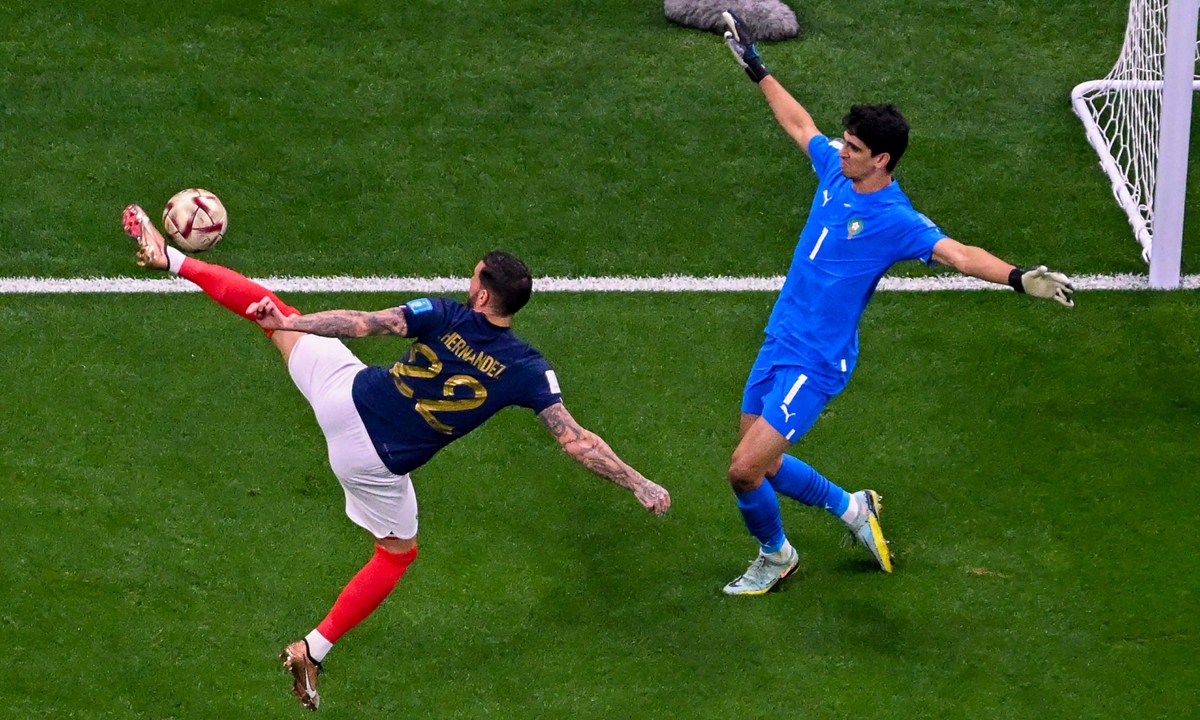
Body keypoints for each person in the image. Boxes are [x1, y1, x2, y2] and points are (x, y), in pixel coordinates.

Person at [121, 206, 671, 709]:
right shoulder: (528, 368)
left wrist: (289, 323)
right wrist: (639, 483)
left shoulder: (444, 313)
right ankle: (313, 649)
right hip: (372, 462)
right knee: (395, 555)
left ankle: (169, 257)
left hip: (345, 395)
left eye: (474, 275)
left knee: (271, 308)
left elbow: (361, 323)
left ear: (482, 294)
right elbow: (576, 440)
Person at [716, 12, 1074, 595]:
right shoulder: (836, 169)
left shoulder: (897, 221)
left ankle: (775, 557)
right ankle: (854, 508)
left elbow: (957, 254)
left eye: (854, 148)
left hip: (815, 361)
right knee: (764, 464)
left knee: (743, 469)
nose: (843, 151)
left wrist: (1016, 278)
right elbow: (798, 122)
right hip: (780, 338)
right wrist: (757, 68)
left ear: (882, 159)